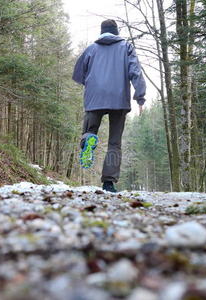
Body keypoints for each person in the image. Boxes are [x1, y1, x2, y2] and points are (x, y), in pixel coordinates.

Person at [72, 19, 146, 193]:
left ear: (101, 32)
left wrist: (91, 84)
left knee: (89, 130)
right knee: (114, 142)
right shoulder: (126, 47)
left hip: (94, 98)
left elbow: (78, 74)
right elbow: (135, 71)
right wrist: (140, 97)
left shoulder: (91, 48)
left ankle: (88, 140)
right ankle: (108, 182)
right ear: (116, 32)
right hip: (118, 99)